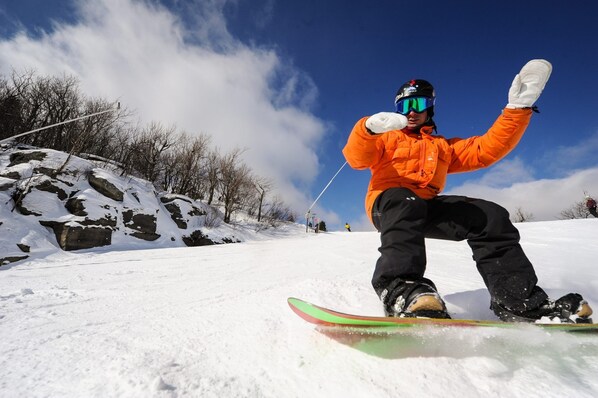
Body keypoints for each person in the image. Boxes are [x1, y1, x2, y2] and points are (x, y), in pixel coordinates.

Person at [342, 60, 593, 323]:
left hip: (425, 207)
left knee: (489, 215)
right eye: (404, 106)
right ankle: (403, 291)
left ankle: (518, 302)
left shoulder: (443, 148)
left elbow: (486, 149)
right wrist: (367, 129)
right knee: (406, 201)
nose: (411, 112)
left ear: (430, 108)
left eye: (418, 104)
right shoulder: (385, 137)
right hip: (389, 205)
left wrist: (517, 109)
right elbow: (356, 158)